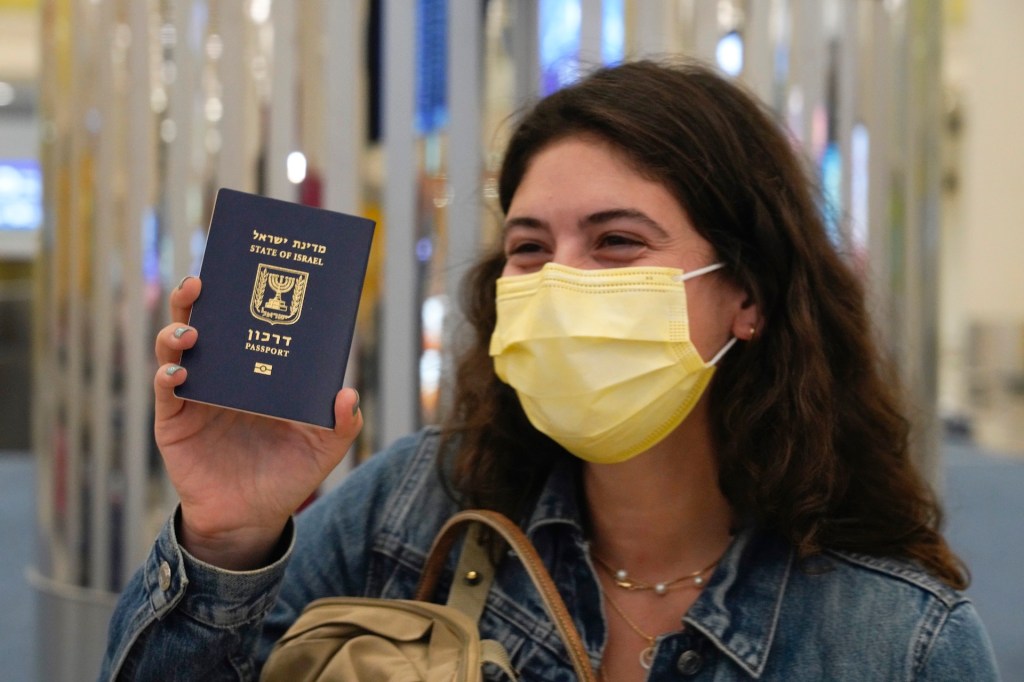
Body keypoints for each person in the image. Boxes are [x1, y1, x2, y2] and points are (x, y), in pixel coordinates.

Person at [99, 59, 1000, 681]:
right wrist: (225, 539)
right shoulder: (412, 509)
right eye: (530, 248)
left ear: (748, 297)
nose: (562, 279)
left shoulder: (897, 640)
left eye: (617, 243)